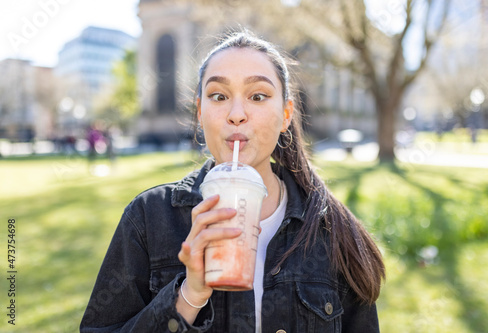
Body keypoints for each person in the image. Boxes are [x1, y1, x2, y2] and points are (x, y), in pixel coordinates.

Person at [80, 30, 385, 333]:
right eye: (219, 96)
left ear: (286, 115)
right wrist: (189, 295)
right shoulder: (147, 219)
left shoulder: (331, 230)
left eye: (257, 96)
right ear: (201, 112)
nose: (236, 114)